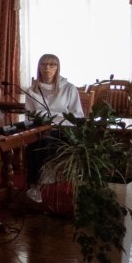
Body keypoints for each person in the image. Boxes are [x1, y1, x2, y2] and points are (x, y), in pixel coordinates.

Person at [24, 53, 85, 204]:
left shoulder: (69, 89)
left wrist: (52, 117)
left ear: (58, 68)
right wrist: (49, 117)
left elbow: (77, 116)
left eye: (52, 65)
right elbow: (29, 115)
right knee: (33, 143)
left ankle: (41, 179)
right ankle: (34, 185)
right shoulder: (32, 90)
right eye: (44, 64)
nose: (47, 68)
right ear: (39, 67)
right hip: (39, 130)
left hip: (64, 130)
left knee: (46, 142)